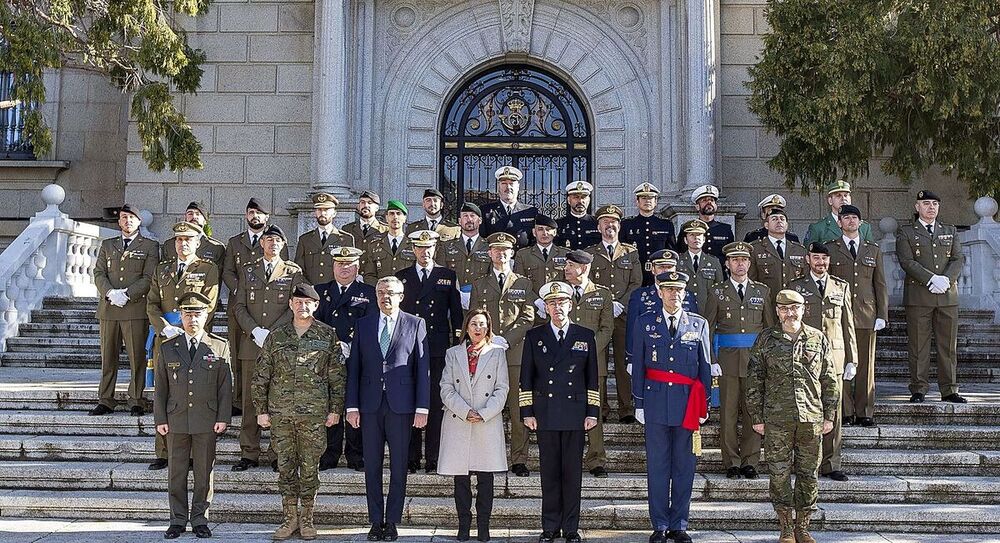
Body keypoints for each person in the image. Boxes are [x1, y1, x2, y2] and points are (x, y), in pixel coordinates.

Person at [252, 283, 345, 541]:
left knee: (310, 468)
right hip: (281, 414)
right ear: (291, 304)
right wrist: (261, 410)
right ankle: (289, 518)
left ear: (316, 305)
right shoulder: (276, 336)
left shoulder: (327, 335)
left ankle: (307, 519)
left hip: (314, 415)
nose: (302, 306)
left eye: (308, 303)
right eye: (298, 302)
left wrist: (335, 410)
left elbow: (336, 377)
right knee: (285, 467)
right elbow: (261, 376)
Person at [746, 290, 839, 543]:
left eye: (794, 308)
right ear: (777, 311)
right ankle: (786, 527)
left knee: (809, 473)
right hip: (777, 419)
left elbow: (829, 379)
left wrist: (829, 415)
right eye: (784, 309)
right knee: (779, 473)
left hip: (811, 418)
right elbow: (755, 379)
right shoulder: (766, 339)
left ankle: (804, 527)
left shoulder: (817, 338)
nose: (790, 313)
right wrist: (757, 415)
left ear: (803, 309)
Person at [346, 276, 430, 542]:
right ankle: (375, 520)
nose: (386, 297)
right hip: (370, 406)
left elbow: (422, 369)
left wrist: (422, 407)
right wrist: (352, 406)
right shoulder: (364, 324)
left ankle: (392, 521)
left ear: (401, 295)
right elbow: (354, 369)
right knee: (371, 466)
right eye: (381, 292)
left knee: (399, 466)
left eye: (391, 293)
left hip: (401, 406)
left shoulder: (416, 324)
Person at [630, 271, 711, 543]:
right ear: (660, 292)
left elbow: (705, 368)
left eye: (678, 290)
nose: (673, 294)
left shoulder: (698, 324)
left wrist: (705, 405)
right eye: (668, 289)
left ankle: (679, 524)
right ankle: (660, 524)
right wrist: (638, 403)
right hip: (654, 403)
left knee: (684, 467)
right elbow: (639, 366)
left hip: (688, 405)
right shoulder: (644, 323)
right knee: (657, 466)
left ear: (684, 293)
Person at [520, 281, 599, 543]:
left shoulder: (585, 335)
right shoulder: (534, 336)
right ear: (545, 308)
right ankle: (550, 527)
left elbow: (592, 379)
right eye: (552, 303)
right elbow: (526, 378)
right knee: (550, 473)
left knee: (572, 474)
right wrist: (527, 411)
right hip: (546, 413)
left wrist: (592, 412)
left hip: (575, 413)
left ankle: (571, 528)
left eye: (562, 302)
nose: (557, 307)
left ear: (570, 305)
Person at [154, 292, 232, 540]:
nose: (192, 319)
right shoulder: (168, 347)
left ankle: (200, 519)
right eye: (187, 314)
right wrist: (160, 419)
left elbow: (224, 387)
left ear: (206, 315)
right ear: (180, 316)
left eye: (197, 314)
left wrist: (223, 417)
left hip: (206, 419)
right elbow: (160, 388)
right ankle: (177, 520)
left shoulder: (219, 346)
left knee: (203, 472)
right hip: (176, 418)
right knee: (176, 472)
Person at [146, 221, 220, 470]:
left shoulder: (208, 269)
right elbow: (152, 303)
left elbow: (209, 305)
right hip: (166, 340)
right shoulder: (162, 269)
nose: (183, 243)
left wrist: (189, 328)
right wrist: (163, 327)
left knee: (193, 394)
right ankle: (163, 451)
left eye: (188, 239)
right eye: (178, 239)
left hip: (193, 342)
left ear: (198, 242)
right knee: (166, 394)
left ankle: (189, 454)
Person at [232, 225, 303, 472]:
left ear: (284, 245)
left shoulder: (293, 272)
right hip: (252, 344)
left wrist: (271, 333)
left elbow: (294, 306)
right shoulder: (248, 270)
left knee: (277, 400)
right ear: (261, 243)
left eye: (278, 240)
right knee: (251, 399)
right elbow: (239, 306)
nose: (273, 243)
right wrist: (254, 331)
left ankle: (276, 452)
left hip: (279, 346)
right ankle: (249, 452)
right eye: (269, 239)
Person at [468, 232, 537, 477]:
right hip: (486, 355)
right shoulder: (479, 284)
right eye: (496, 250)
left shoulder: (524, 284)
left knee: (518, 410)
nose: (501, 254)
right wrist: (487, 340)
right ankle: (485, 457)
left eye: (505, 250)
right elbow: (474, 318)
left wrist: (505, 340)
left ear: (512, 253)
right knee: (486, 408)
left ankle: (519, 459)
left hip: (515, 354)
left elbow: (528, 316)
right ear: (489, 254)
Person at [703, 242, 773, 480]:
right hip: (727, 361)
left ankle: (750, 461)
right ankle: (731, 461)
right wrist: (711, 359)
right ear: (727, 264)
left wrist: (768, 360)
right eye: (735, 260)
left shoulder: (762, 291)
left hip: (755, 362)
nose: (740, 264)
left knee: (754, 413)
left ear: (750, 263)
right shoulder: (717, 292)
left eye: (744, 260)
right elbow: (708, 327)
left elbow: (769, 329)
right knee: (729, 414)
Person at [788, 242, 858, 482]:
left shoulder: (841, 287)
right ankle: (808, 464)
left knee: (833, 414)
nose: (820, 262)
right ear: (808, 259)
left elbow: (847, 325)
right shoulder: (796, 287)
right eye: (816, 258)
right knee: (805, 413)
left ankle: (832, 463)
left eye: (824, 259)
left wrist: (853, 359)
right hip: (805, 359)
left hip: (835, 359)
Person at [438, 309, 509, 542]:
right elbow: (446, 387)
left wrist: (484, 413)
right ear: (466, 327)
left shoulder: (497, 353)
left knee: (486, 478)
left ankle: (484, 526)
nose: (478, 329)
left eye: (482, 324)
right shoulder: (452, 353)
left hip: (486, 421)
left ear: (488, 328)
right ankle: (464, 525)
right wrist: (464, 410)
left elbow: (502, 388)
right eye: (473, 324)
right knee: (461, 479)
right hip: (460, 420)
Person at [397, 230, 464, 473]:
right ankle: (411, 456)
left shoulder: (447, 276)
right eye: (420, 248)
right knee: (409, 398)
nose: (424, 252)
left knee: (435, 402)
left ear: (435, 249)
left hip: (436, 346)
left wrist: (457, 343)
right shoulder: (401, 277)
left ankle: (433, 456)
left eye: (429, 248)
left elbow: (456, 314)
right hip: (408, 347)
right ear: (413, 249)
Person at [895, 190, 966, 404]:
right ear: (917, 207)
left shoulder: (949, 230)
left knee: (948, 346)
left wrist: (945, 280)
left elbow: (958, 258)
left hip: (947, 297)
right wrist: (931, 279)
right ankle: (918, 388)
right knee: (918, 346)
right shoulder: (906, 232)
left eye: (935, 203)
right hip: (919, 296)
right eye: (926, 203)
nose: (931, 207)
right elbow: (906, 261)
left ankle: (949, 389)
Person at [91, 204, 159, 417]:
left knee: (136, 357)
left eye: (131, 218)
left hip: (134, 308)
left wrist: (127, 294)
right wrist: (110, 293)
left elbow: (149, 277)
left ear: (139, 222)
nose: (127, 221)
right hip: (109, 309)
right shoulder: (108, 245)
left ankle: (136, 399)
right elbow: (99, 273)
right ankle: (105, 399)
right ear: (119, 222)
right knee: (108, 357)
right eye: (123, 217)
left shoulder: (149, 246)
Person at [222, 198, 288, 416]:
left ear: (267, 217)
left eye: (259, 213)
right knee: (239, 354)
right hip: (240, 308)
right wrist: (239, 289)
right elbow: (228, 271)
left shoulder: (276, 242)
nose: (255, 216)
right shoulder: (235, 242)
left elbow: (284, 275)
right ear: (246, 215)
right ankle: (238, 398)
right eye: (251, 212)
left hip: (269, 313)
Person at [314, 247, 376, 471]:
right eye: (340, 264)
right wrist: (333, 345)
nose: (344, 268)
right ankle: (328, 454)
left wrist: (353, 345)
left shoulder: (368, 293)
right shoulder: (320, 292)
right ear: (333, 266)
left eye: (349, 264)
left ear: (357, 267)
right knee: (330, 404)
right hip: (327, 358)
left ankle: (355, 454)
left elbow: (371, 325)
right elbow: (315, 325)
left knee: (355, 404)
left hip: (357, 357)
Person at [826, 204, 888, 426]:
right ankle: (845, 411)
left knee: (865, 365)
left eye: (854, 218)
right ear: (839, 222)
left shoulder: (873, 249)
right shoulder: (830, 249)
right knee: (840, 363)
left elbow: (879, 284)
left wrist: (882, 313)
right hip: (838, 316)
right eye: (846, 218)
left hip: (865, 314)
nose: (850, 221)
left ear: (860, 223)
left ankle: (865, 411)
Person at [585, 204, 642, 422]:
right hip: (598, 316)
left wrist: (621, 304)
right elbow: (587, 283)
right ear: (599, 227)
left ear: (619, 225)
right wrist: (607, 304)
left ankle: (626, 408)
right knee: (598, 363)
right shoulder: (590, 253)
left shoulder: (631, 252)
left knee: (623, 362)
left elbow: (636, 282)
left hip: (624, 316)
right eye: (605, 222)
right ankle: (601, 408)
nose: (610, 225)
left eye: (614, 222)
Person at [561, 250, 614, 477]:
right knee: (567, 411)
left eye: (570, 265)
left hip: (594, 364)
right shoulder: (560, 293)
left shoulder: (602, 294)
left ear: (583, 268)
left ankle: (596, 460)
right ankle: (569, 458)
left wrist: (588, 350)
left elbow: (607, 328)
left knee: (594, 411)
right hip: (564, 365)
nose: (566, 269)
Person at [621, 182, 677, 286]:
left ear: (655, 202)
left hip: (658, 274)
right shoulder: (627, 225)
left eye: (650, 198)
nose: (647, 201)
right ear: (637, 202)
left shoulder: (665, 225)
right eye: (643, 198)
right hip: (634, 274)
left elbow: (671, 251)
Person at [294, 192, 355, 285]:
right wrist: (309, 289)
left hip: (335, 292)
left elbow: (349, 268)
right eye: (319, 209)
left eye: (326, 209)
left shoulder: (346, 239)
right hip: (312, 292)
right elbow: (299, 269)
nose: (322, 213)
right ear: (315, 212)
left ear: (334, 213)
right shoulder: (305, 240)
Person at [748, 207, 807, 299]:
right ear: (766, 225)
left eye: (782, 219)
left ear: (787, 225)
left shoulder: (800, 250)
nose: (779, 221)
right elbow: (751, 281)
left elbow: (805, 280)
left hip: (793, 305)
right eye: (774, 219)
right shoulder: (755, 249)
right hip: (768, 303)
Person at [437, 202, 492, 297]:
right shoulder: (446, 247)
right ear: (459, 221)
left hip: (480, 299)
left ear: (480, 220)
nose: (469, 219)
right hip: (452, 298)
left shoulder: (489, 247)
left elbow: (492, 277)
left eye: (472, 216)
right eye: (465, 216)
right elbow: (440, 275)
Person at [513, 214, 570, 301]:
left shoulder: (566, 254)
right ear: (534, 232)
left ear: (554, 232)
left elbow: (570, 280)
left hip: (559, 304)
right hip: (532, 304)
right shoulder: (522, 255)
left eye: (548, 229)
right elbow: (520, 282)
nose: (545, 233)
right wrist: (536, 301)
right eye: (540, 229)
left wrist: (558, 300)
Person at [481, 166, 538, 248]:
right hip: (497, 258)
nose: (508, 187)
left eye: (511, 183)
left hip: (522, 259)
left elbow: (535, 240)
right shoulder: (485, 211)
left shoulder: (530, 212)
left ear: (518, 186)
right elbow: (482, 239)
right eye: (504, 183)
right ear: (498, 186)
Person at [360, 200, 416, 285]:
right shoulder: (374, 245)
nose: (395, 217)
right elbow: (369, 275)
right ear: (386, 218)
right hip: (381, 294)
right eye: (391, 213)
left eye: (398, 213)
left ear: (404, 218)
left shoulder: (413, 245)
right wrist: (381, 287)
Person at [803, 180, 874, 246]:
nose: (843, 199)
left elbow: (871, 253)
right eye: (838, 195)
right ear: (830, 200)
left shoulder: (864, 227)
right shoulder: (818, 228)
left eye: (846, 195)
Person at [676, 219, 723, 313]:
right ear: (685, 240)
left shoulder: (713, 262)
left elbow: (719, 289)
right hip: (683, 311)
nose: (696, 238)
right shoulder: (677, 261)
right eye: (692, 235)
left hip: (707, 311)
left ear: (704, 239)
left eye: (699, 235)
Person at [161, 201, 226, 268]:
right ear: (185, 218)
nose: (194, 217)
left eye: (198, 214)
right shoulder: (169, 245)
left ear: (205, 221)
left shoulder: (216, 247)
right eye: (190, 214)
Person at [681, 184, 733, 260]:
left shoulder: (725, 229)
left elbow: (730, 255)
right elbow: (681, 252)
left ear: (716, 205)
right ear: (697, 206)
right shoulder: (687, 229)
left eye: (712, 200)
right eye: (704, 200)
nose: (709, 202)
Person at [555, 181, 600, 250]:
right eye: (576, 197)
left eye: (584, 197)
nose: (580, 201)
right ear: (569, 200)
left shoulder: (597, 223)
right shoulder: (559, 224)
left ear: (589, 200)